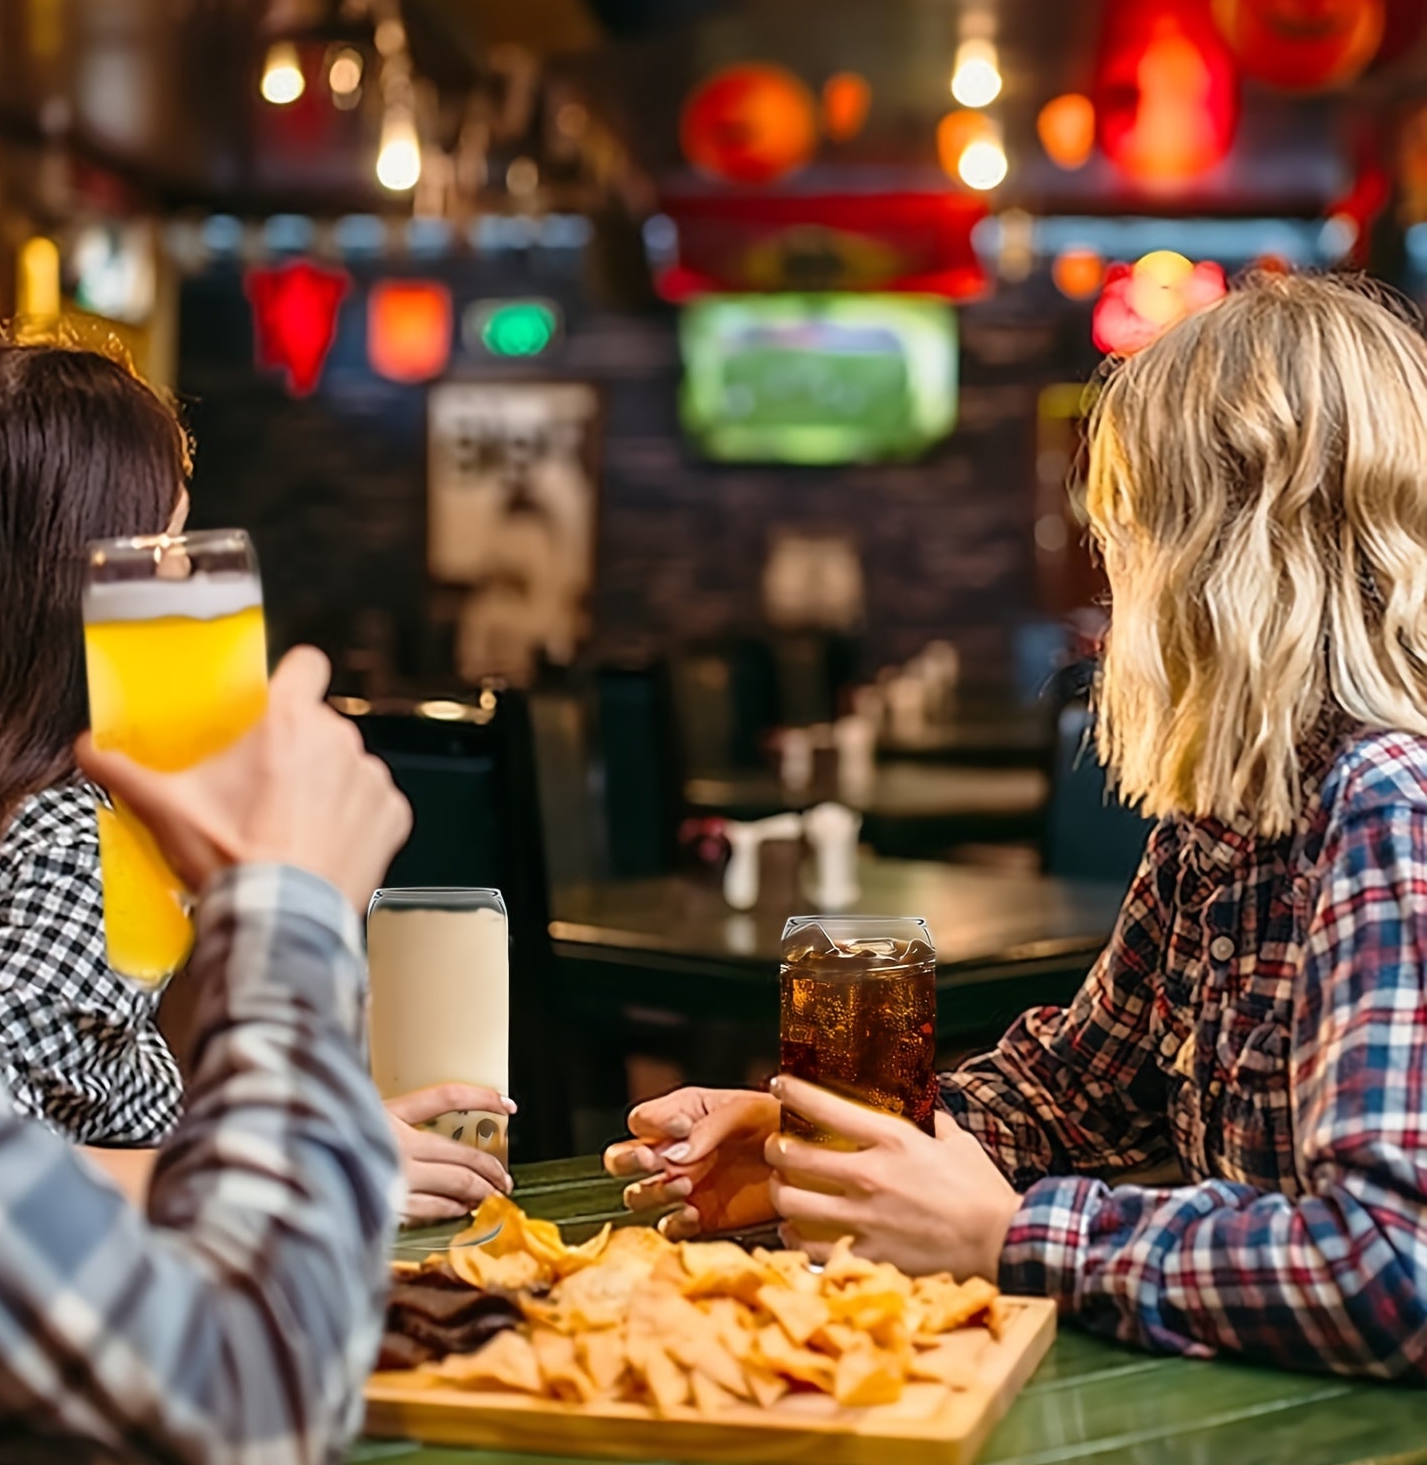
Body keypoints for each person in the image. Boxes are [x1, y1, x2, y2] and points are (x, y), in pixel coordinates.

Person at [607, 273, 1427, 1383]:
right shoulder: (1228, 814)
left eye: (1136, 528)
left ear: (1228, 560)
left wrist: (1008, 1239)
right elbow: (1074, 1086)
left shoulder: (1384, 802)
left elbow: (1394, 1266)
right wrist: (841, 1146)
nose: (1115, 571)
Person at [0, 341, 512, 1222]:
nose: (190, 583)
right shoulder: (77, 850)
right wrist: (289, 1177)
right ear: (79, 595)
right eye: (166, 554)